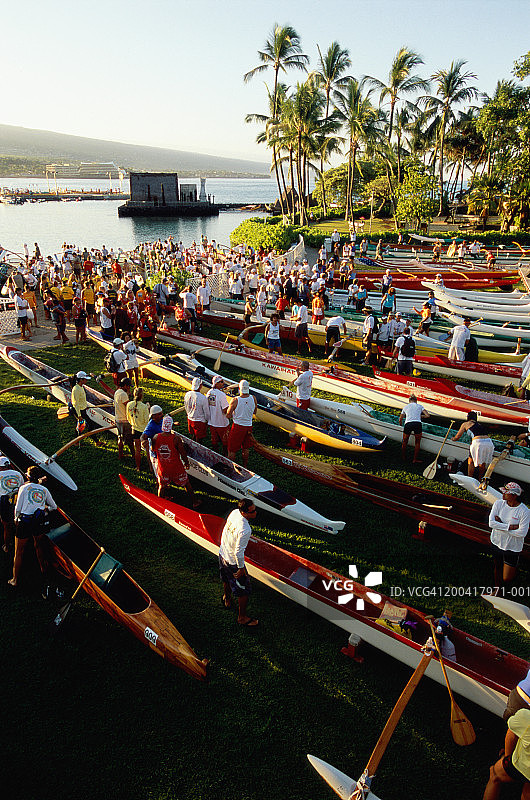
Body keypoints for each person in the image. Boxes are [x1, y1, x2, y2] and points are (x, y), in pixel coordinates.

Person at [9, 467, 57, 589]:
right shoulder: (44, 490)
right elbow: (54, 507)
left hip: (25, 522)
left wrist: (15, 519)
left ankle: (15, 580)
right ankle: (44, 571)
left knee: (19, 552)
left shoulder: (23, 488)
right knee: (38, 546)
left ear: (28, 477)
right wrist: (45, 508)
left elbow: (18, 508)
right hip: (38, 522)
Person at [218, 498, 259, 627]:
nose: (256, 512)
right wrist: (241, 569)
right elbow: (238, 552)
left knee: (226, 579)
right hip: (232, 562)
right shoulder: (245, 529)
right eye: (252, 511)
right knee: (244, 590)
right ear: (244, 513)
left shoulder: (235, 512)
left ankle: (227, 598)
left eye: (255, 509)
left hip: (223, 553)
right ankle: (242, 618)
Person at [482, 708, 530, 800]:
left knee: (495, 775)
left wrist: (506, 757)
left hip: (521, 766)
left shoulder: (526, 716)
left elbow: (511, 734)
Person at [152, 415, 200, 506]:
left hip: (163, 468)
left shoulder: (155, 437)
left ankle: (159, 504)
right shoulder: (176, 439)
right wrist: (186, 462)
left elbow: (153, 449)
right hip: (176, 468)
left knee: (161, 486)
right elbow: (183, 453)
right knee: (186, 483)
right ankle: (195, 502)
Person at [489, 482, 530, 587]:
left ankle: (512, 580)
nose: (503, 493)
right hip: (497, 542)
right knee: (497, 567)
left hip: (512, 547)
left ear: (514, 496)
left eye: (506, 492)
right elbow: (491, 523)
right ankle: (498, 589)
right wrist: (510, 527)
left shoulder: (525, 511)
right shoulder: (498, 503)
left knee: (507, 578)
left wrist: (500, 525)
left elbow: (522, 533)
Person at [452, 411, 495, 479]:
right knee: (482, 462)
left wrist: (453, 439)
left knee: (471, 461)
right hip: (489, 443)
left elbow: (457, 437)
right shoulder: (479, 425)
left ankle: (470, 478)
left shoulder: (465, 424)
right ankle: (480, 479)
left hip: (478, 443)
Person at [227, 379, 257, 468]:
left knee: (232, 449)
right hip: (249, 426)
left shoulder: (235, 400)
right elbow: (255, 412)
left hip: (238, 427)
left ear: (239, 389)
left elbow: (228, 415)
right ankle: (245, 466)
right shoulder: (253, 398)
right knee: (245, 448)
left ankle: (231, 467)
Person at [0, 456, 24, 553]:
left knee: (6, 526)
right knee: (17, 522)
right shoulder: (18, 474)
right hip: (18, 502)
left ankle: (7, 546)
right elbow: (22, 488)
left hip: (5, 504)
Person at [398, 394, 430, 463]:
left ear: (409, 401)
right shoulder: (420, 406)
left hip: (408, 424)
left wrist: (400, 425)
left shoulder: (405, 407)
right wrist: (420, 416)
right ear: (416, 401)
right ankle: (415, 459)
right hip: (417, 424)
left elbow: (400, 419)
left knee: (405, 441)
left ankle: (403, 457)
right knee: (417, 442)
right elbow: (427, 415)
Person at [127, 386, 150, 471]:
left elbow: (128, 417)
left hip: (134, 429)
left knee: (137, 450)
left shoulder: (129, 404)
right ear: (142, 395)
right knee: (147, 450)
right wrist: (148, 409)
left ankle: (138, 467)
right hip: (143, 431)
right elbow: (146, 420)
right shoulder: (144, 407)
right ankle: (151, 468)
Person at [206, 375, 230, 453]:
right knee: (225, 441)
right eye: (221, 382)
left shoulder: (209, 392)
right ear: (216, 383)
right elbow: (225, 410)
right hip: (222, 423)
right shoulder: (222, 395)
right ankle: (225, 455)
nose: (223, 383)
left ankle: (215, 453)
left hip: (212, 422)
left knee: (214, 440)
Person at [114, 377, 135, 461]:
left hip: (118, 419)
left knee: (120, 437)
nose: (129, 388)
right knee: (129, 440)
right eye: (128, 386)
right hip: (125, 420)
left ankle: (120, 455)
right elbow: (129, 406)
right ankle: (134, 455)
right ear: (125, 386)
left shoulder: (117, 392)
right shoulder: (123, 395)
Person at [140, 404, 164, 475]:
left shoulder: (161, 420)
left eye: (161, 413)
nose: (162, 415)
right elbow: (143, 436)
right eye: (159, 414)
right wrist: (143, 441)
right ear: (154, 416)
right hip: (156, 451)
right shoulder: (151, 426)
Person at [184, 377, 209, 442]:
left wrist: (189, 414)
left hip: (190, 418)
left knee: (194, 434)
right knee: (199, 439)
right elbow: (206, 411)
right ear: (200, 386)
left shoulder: (187, 394)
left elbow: (186, 406)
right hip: (200, 421)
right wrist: (207, 420)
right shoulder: (203, 398)